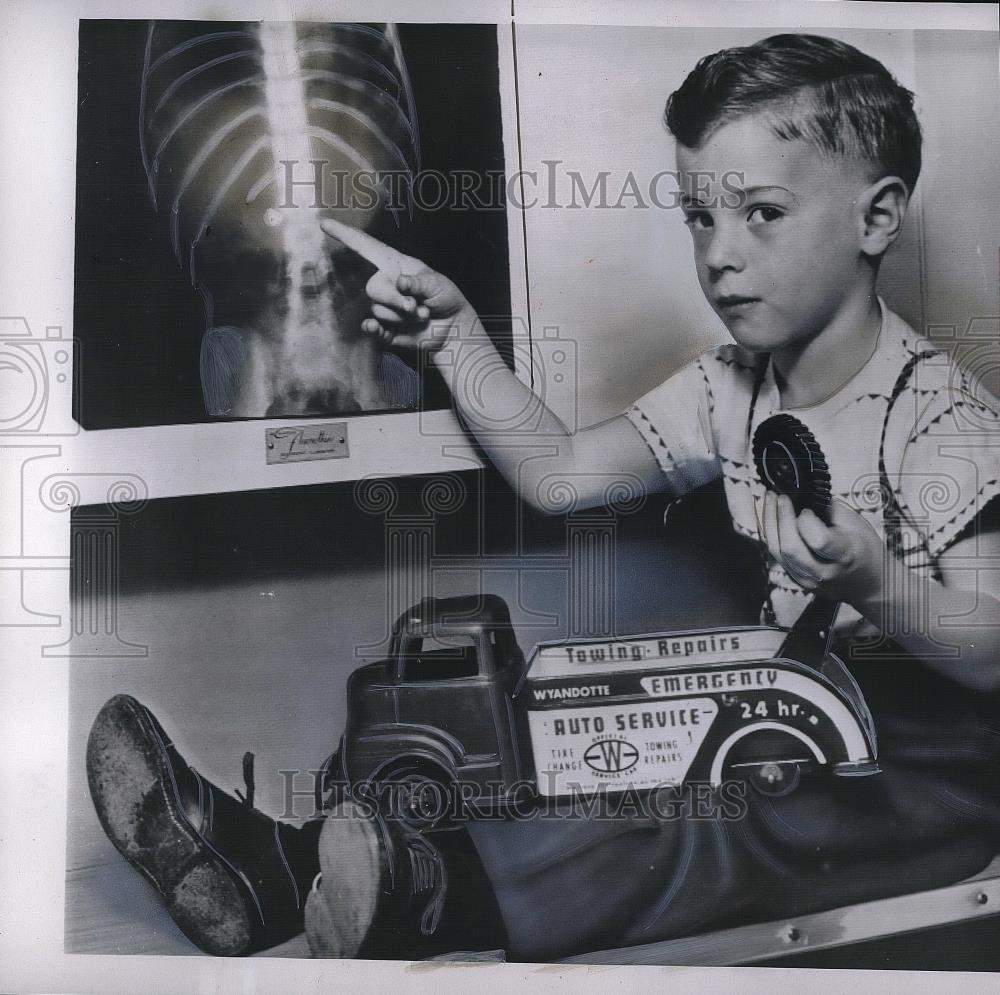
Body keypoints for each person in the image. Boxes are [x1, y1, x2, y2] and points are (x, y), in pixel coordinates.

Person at [87, 33, 1000, 962]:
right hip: (790, 714)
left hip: (923, 773)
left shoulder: (941, 418)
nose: (719, 256)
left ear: (878, 217)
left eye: (761, 213)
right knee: (576, 727)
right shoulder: (728, 385)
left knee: (707, 825)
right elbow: (560, 475)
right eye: (698, 218)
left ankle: (421, 890)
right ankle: (282, 866)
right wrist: (455, 344)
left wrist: (880, 583)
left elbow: (993, 657)